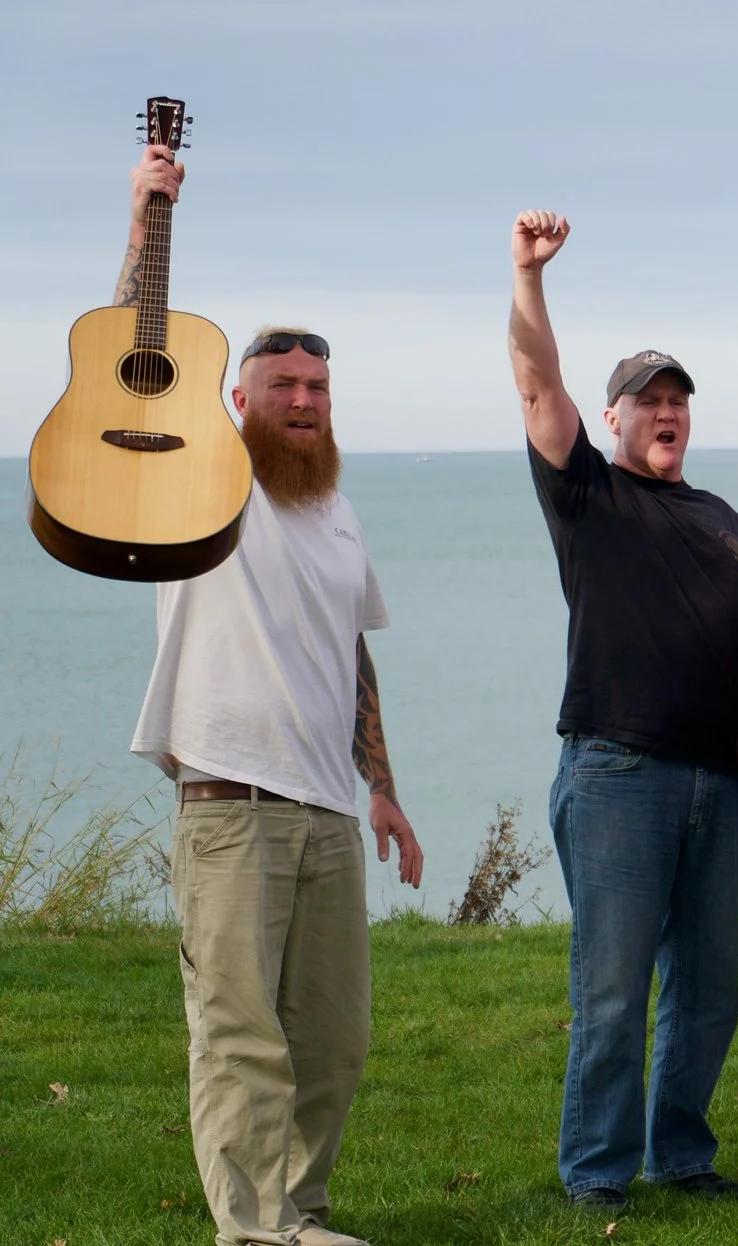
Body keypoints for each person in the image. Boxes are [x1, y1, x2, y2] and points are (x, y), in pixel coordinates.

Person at [125, 129, 424, 1246]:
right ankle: (249, 1230)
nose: (303, 399)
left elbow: (350, 649)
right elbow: (132, 353)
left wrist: (381, 784)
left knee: (331, 1038)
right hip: (229, 804)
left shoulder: (334, 507)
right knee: (241, 1033)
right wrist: (150, 218)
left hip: (326, 809)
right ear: (239, 397)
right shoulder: (201, 477)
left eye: (317, 385)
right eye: (281, 384)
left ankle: (298, 1213)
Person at [507, 209, 738, 1211]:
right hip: (618, 771)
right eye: (646, 399)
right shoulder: (586, 494)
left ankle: (683, 1155)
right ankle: (597, 1171)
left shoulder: (726, 521)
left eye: (677, 401)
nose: (665, 412)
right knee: (614, 989)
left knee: (708, 992)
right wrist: (529, 277)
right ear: (612, 418)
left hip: (721, 776)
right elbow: (536, 379)